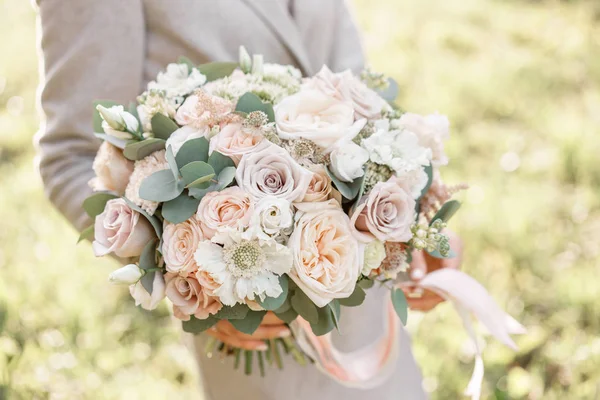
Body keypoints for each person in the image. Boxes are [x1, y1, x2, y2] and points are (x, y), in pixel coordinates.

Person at [34, 1, 461, 399]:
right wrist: (184, 278)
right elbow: (70, 157)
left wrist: (419, 214)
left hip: (367, 308)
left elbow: (359, 94)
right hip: (252, 321)